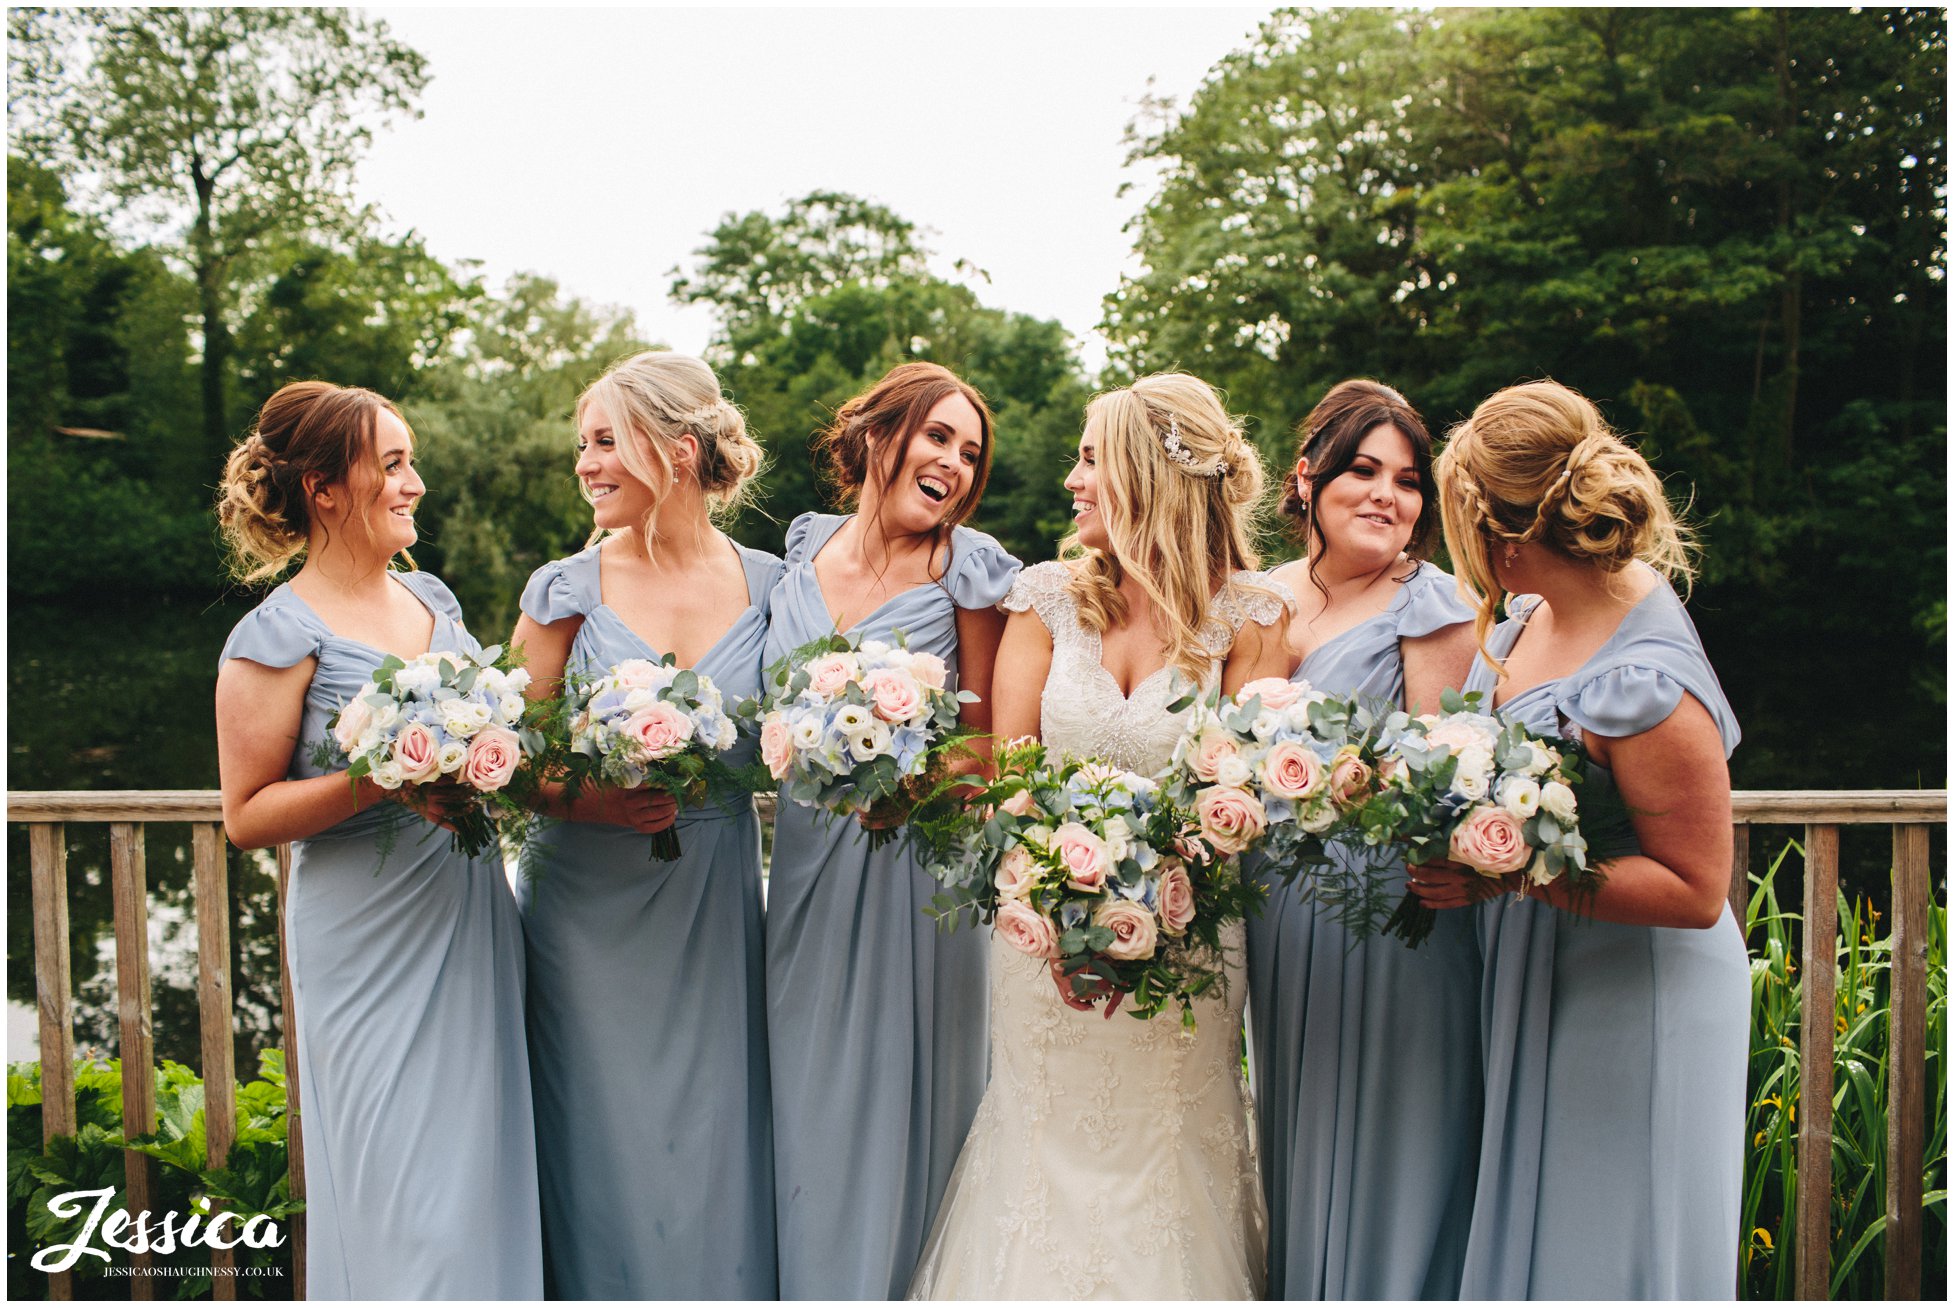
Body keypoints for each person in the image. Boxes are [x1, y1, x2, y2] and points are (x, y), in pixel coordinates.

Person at [908, 371, 1282, 1300]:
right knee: (1040, 1145)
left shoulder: (1252, 618)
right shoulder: (1044, 600)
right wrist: (1062, 892)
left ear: (1149, 473)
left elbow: (1243, 793)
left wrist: (1155, 892)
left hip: (1190, 943)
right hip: (1041, 939)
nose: (1072, 481)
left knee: (1167, 1153)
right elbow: (1011, 778)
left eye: (1089, 458)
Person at [1411, 379, 1747, 1298]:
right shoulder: (1531, 620)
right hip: (1546, 970)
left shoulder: (1644, 681)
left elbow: (1695, 887)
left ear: (1503, 539)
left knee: (1611, 1243)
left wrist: (1509, 871)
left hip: (1634, 997)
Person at [212, 381, 541, 1299]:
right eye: (392, 465)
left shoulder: (432, 600)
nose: (415, 483)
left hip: (467, 917)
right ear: (323, 487)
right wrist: (378, 778)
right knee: (400, 1192)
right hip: (365, 941)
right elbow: (246, 815)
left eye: (410, 462)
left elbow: (489, 734)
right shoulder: (275, 634)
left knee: (479, 1178)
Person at [510, 351, 780, 1298]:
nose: (586, 464)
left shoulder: (777, 586)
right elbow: (509, 761)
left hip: (712, 905)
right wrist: (591, 797)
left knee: (712, 1134)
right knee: (600, 1133)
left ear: (673, 449)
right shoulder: (564, 590)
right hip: (585, 914)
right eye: (580, 444)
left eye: (603, 441)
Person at [765, 361, 1021, 1300]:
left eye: (970, 452)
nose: (954, 463)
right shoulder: (800, 550)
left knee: (917, 1108)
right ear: (878, 436)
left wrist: (906, 778)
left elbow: (989, 749)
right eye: (938, 437)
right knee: (811, 1104)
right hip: (804, 877)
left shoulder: (971, 570)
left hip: (923, 879)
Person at [1247, 379, 1482, 1298]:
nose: (1389, 494)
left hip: (1392, 913)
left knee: (1395, 1137)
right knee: (1297, 1129)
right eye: (1364, 470)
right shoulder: (1259, 599)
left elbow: (1443, 778)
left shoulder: (1430, 603)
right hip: (1280, 912)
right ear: (1307, 479)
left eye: (1409, 480)